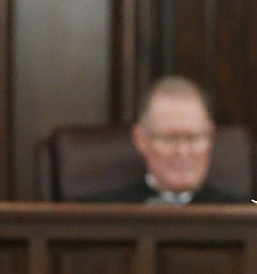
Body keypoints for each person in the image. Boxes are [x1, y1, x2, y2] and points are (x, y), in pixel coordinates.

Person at [87, 75, 244, 204]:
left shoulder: (245, 218)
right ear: (140, 139)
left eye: (193, 138)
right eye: (169, 139)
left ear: (210, 136)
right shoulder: (101, 214)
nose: (182, 151)